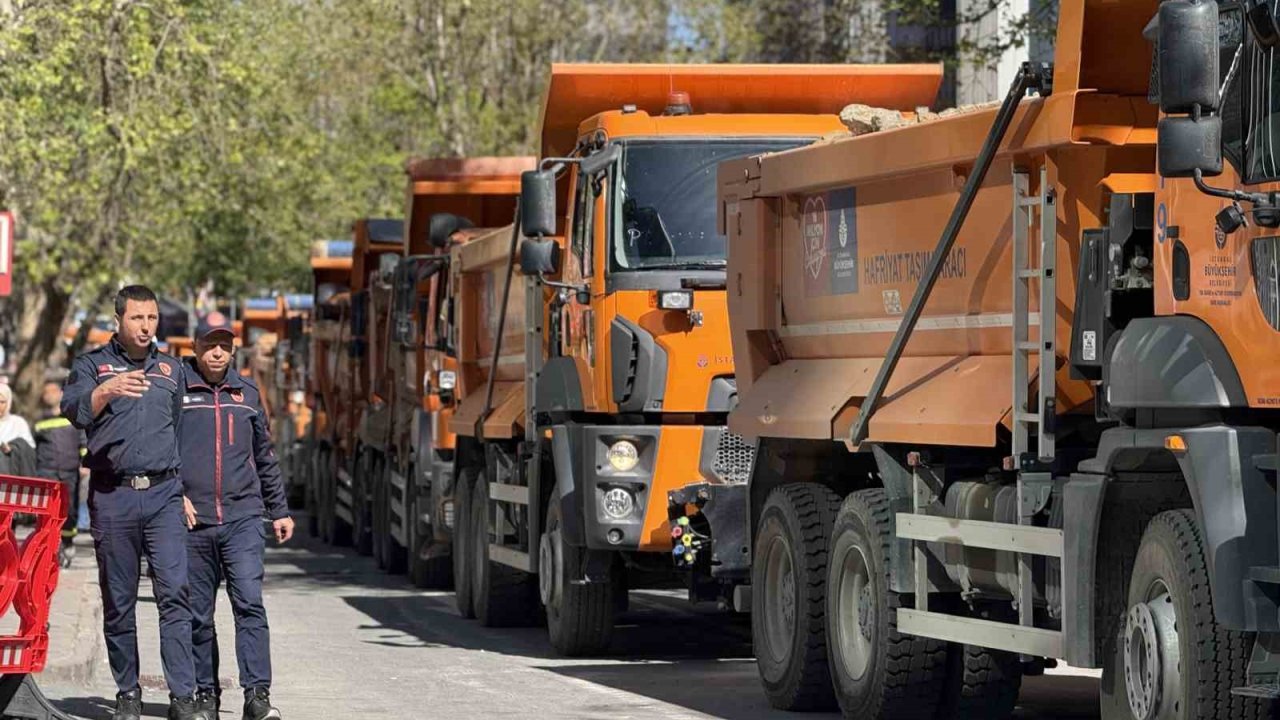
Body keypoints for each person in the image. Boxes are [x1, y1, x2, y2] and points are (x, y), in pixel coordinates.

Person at [61, 285, 209, 720]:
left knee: (175, 595)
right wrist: (106, 391)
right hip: (112, 496)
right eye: (137, 318)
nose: (146, 327)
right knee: (119, 600)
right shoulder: (92, 365)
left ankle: (183, 697)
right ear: (118, 320)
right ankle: (128, 692)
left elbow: (180, 432)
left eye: (152, 318)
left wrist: (182, 489)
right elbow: (74, 409)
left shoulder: (171, 370)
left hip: (164, 497)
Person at [179, 312, 291, 720]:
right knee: (197, 614)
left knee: (249, 605)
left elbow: (265, 456)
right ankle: (206, 694)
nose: (218, 352)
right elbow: (161, 450)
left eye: (225, 345)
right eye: (210, 345)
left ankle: (257, 696)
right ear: (195, 347)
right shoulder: (178, 389)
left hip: (243, 518)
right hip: (194, 522)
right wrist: (176, 495)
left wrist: (279, 510)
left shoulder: (247, 392)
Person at [34, 380, 88, 567]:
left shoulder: (72, 416)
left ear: (61, 393)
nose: (49, 395)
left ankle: (67, 543)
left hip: (69, 471)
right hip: (46, 472)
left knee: (69, 510)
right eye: (46, 392)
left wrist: (84, 463)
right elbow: (34, 448)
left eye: (53, 391)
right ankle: (48, 548)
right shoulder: (39, 421)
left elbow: (83, 442)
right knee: (47, 511)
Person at [0, 382, 37, 477]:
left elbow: (29, 451)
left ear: (8, 403)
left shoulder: (18, 423)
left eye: (2, 402)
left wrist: (12, 448)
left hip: (12, 478)